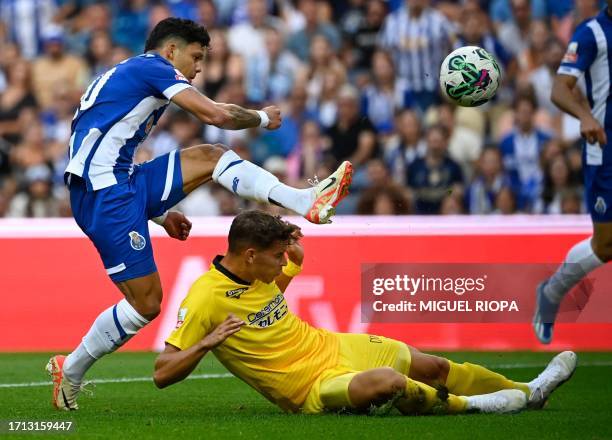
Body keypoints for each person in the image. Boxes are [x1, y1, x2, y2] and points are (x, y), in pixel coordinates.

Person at [46, 17, 353, 411]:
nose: (199, 67)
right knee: (148, 303)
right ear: (171, 50)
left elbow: (108, 140)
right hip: (104, 194)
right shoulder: (152, 67)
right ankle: (69, 370)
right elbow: (216, 115)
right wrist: (261, 118)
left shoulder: (134, 73)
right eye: (195, 56)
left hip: (124, 181)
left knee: (212, 156)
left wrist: (159, 212)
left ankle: (304, 199)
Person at [154, 210, 576, 415]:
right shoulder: (205, 298)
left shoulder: (259, 274)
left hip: (334, 346)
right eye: (277, 256)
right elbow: (162, 373)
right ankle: (480, 406)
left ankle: (529, 390)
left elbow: (268, 300)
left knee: (427, 364)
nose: (284, 263)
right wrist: (207, 342)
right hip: (310, 387)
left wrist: (292, 260)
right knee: (390, 383)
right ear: (249, 255)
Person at [533, 1, 612, 344]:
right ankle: (552, 292)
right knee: (607, 244)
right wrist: (585, 115)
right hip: (605, 149)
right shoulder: (591, 33)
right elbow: (559, 88)